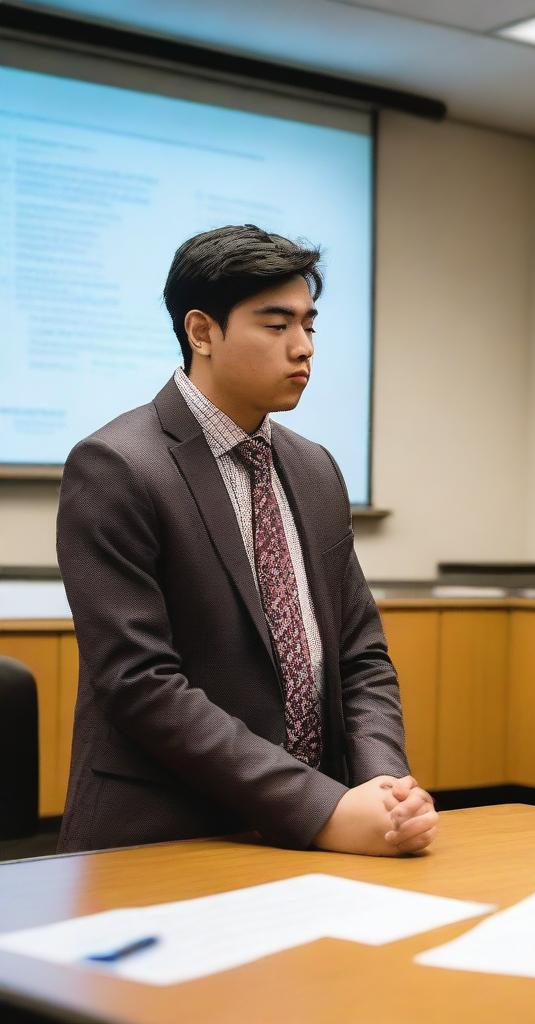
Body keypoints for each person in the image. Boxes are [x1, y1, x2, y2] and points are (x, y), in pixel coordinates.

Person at [57, 224, 437, 856]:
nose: (304, 348)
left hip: (320, 829)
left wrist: (382, 786)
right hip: (169, 836)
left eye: (309, 326)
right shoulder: (116, 465)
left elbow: (360, 655)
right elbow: (141, 683)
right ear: (203, 332)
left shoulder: (314, 468)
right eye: (276, 324)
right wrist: (320, 808)